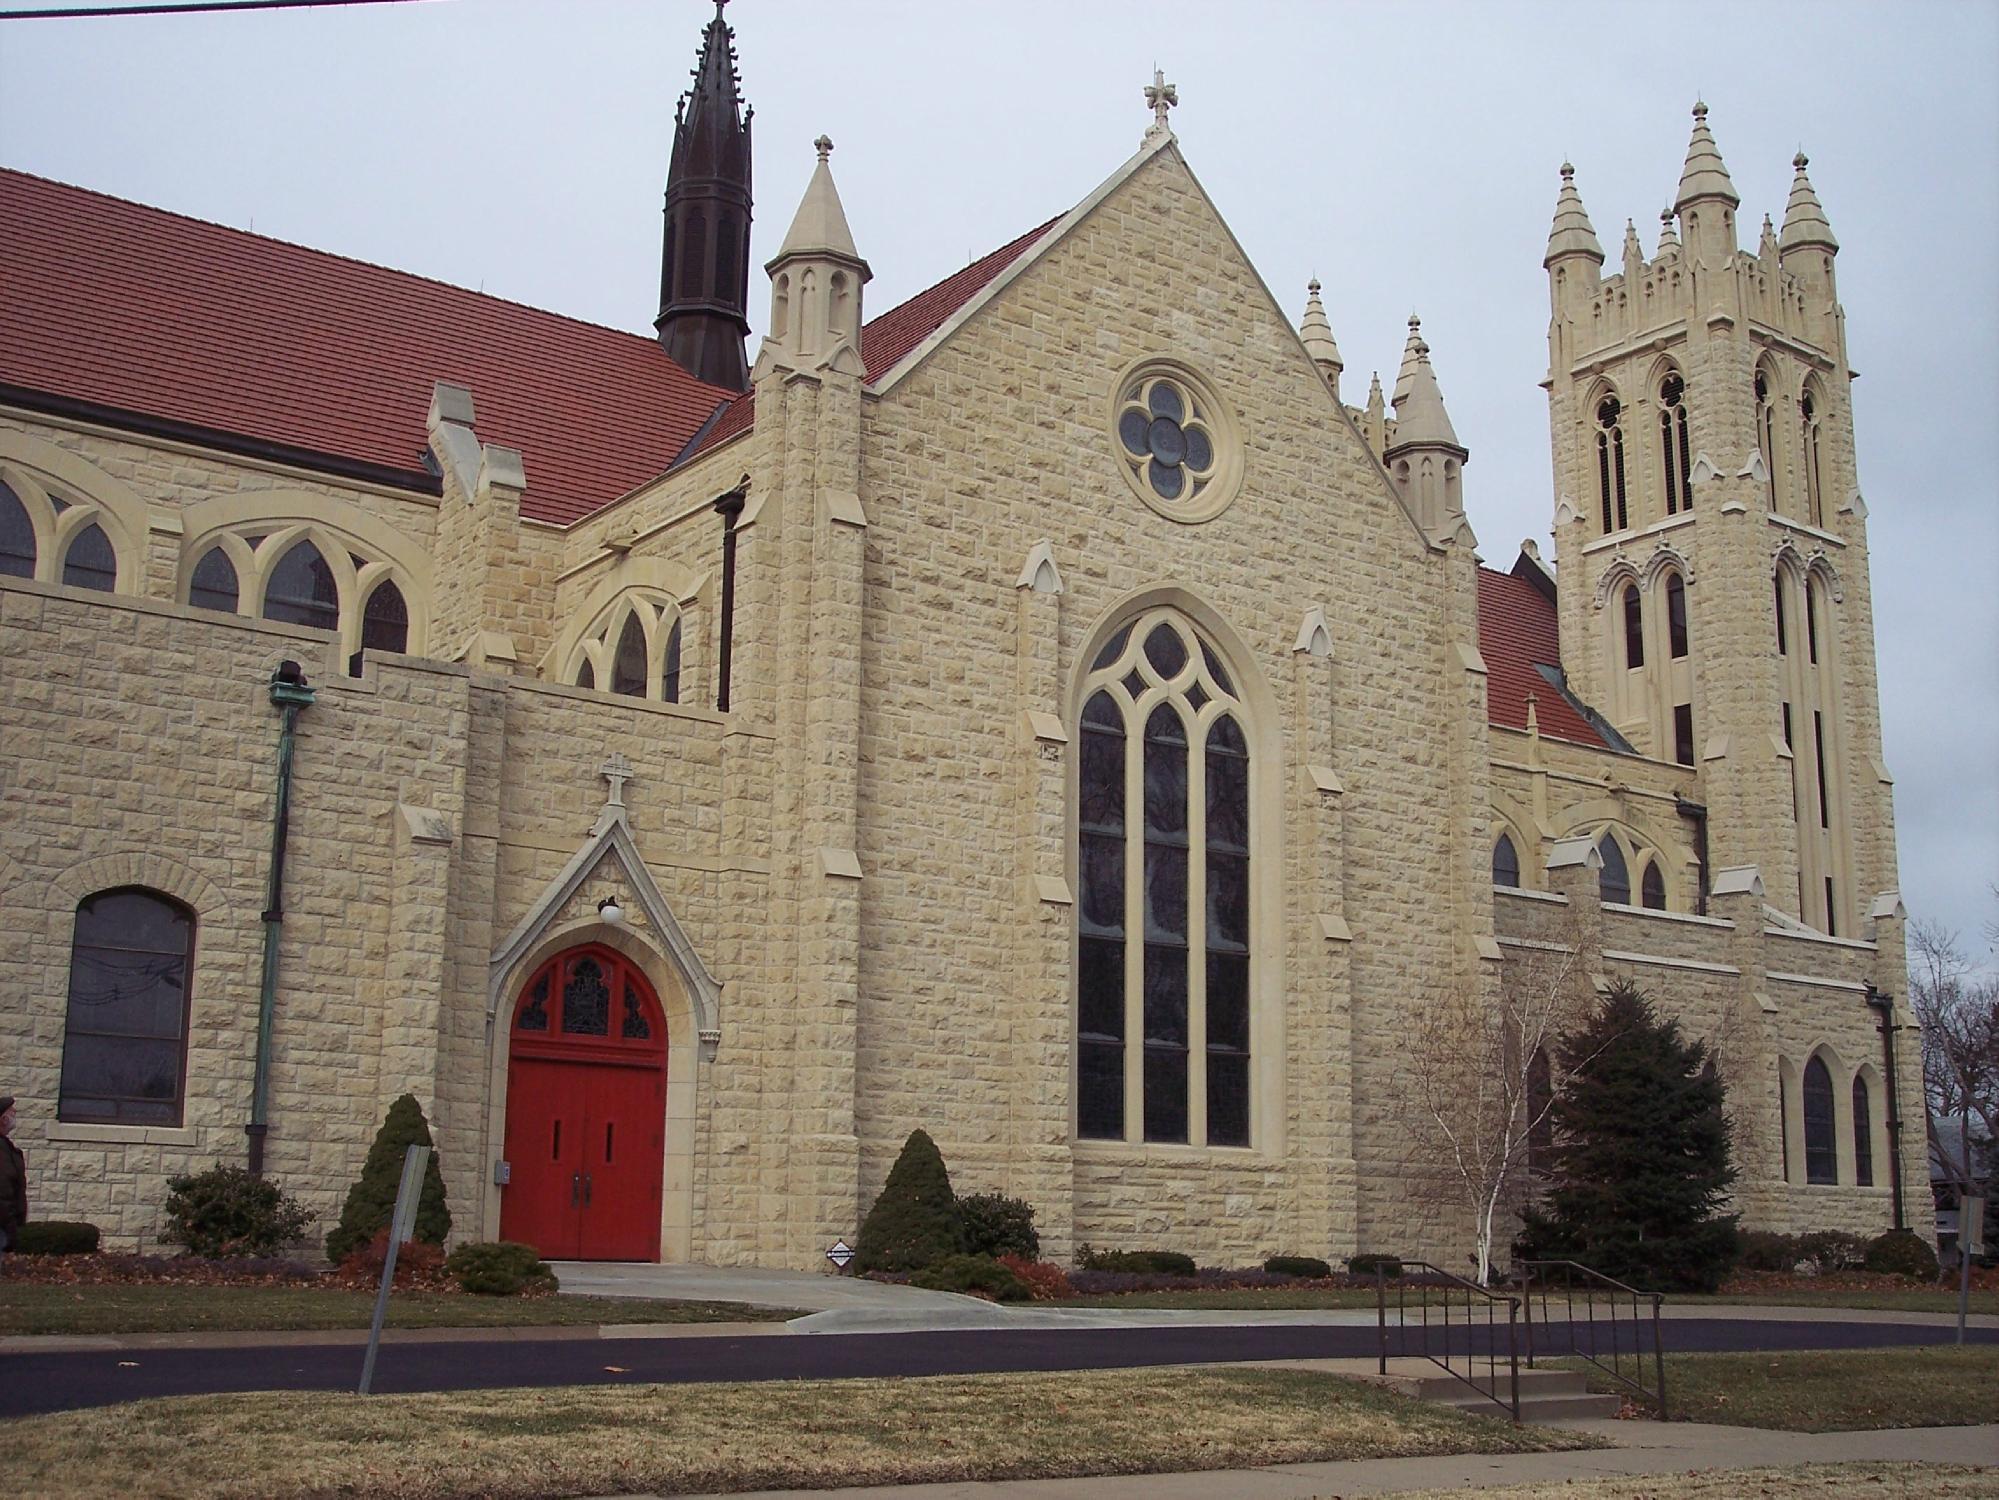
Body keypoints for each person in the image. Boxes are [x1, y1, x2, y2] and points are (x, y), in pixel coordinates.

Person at [0, 1096, 24, 1270]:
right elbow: (3, 1190)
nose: (15, 1113)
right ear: (3, 1119)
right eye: (11, 1111)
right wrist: (10, 1226)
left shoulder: (6, 1147)